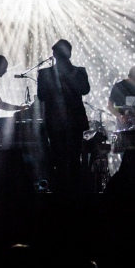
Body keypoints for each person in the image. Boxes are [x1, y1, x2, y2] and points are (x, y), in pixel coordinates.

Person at [36, 39, 91, 196]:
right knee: (59, 159)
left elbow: (84, 89)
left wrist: (70, 75)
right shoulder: (45, 73)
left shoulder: (79, 71)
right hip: (56, 122)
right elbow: (41, 96)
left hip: (72, 122)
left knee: (73, 159)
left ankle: (73, 192)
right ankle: (61, 192)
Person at [107, 65, 135, 130]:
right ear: (130, 76)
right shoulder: (119, 86)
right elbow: (109, 105)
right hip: (124, 123)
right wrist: (120, 116)